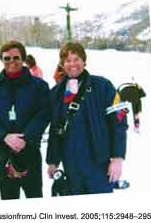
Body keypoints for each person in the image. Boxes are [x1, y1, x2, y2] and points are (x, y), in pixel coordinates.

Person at [46, 42, 128, 195]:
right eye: (68, 60)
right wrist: (52, 161)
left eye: (76, 59)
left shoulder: (103, 85)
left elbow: (119, 122)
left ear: (84, 60)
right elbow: (55, 129)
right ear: (62, 64)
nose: (72, 64)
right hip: (70, 164)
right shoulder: (56, 93)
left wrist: (118, 158)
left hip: (98, 163)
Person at [0, 40, 50, 200]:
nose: (11, 62)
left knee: (34, 197)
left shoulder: (39, 86)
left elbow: (44, 114)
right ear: (1, 60)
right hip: (3, 152)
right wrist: (3, 136)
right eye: (7, 58)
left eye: (16, 57)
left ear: (23, 59)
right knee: (8, 198)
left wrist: (25, 137)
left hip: (30, 150)